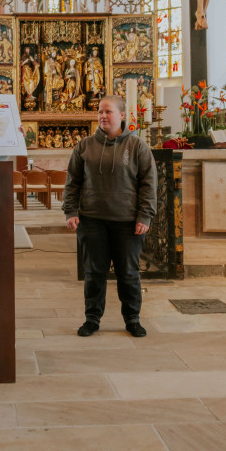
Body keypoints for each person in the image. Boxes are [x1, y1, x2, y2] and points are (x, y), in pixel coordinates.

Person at [63, 95, 157, 338]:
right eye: (100, 112)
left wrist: (144, 216)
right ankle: (92, 319)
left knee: (128, 272)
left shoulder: (137, 146)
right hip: (92, 219)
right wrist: (71, 211)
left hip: (127, 221)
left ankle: (133, 319)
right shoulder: (84, 146)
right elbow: (73, 182)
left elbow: (148, 184)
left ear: (122, 115)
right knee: (94, 272)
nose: (103, 116)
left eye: (108, 112)